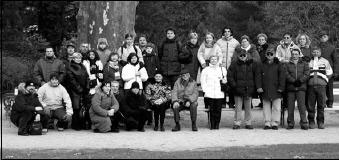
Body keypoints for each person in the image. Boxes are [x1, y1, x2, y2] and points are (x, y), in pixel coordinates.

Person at [227, 50, 262, 130]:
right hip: (237, 89)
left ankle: (248, 123)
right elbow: (229, 75)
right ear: (238, 56)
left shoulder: (252, 63)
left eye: (244, 55)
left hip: (248, 89)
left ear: (247, 55)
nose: (242, 57)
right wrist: (234, 85)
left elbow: (256, 75)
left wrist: (254, 86)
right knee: (238, 108)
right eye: (241, 55)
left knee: (248, 108)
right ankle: (237, 123)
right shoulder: (234, 64)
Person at [307, 46, 333, 129]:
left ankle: (320, 122)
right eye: (314, 52)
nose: (315, 53)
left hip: (321, 86)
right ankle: (311, 122)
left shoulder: (325, 61)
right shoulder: (308, 61)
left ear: (320, 53)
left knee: (321, 105)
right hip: (311, 86)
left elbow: (329, 72)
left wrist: (324, 80)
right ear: (312, 53)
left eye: (317, 52)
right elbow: (305, 72)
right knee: (311, 105)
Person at [261, 49, 286, 130]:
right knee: (266, 107)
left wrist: (281, 87)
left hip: (276, 88)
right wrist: (259, 87)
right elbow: (258, 76)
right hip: (265, 88)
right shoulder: (262, 64)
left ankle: (275, 123)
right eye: (268, 54)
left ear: (274, 54)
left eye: (271, 54)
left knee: (277, 107)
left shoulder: (279, 64)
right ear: (265, 54)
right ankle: (267, 123)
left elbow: (282, 77)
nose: (269, 55)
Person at [285, 49, 309, 130]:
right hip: (291, 88)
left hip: (301, 88)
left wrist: (300, 81)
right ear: (291, 55)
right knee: (290, 107)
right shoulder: (287, 64)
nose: (295, 56)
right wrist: (293, 81)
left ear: (299, 55)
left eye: (296, 54)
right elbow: (286, 74)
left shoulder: (304, 63)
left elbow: (307, 73)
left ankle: (304, 122)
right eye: (293, 54)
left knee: (302, 106)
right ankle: (290, 123)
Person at [200, 55, 227, 129]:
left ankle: (217, 124)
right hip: (210, 93)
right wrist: (205, 90)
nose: (214, 60)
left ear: (217, 60)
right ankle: (212, 124)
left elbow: (225, 79)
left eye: (215, 59)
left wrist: (224, 81)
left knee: (218, 109)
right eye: (212, 59)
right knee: (211, 109)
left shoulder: (222, 69)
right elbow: (203, 81)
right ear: (210, 60)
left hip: (219, 93)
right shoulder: (206, 70)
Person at [65, 52, 90, 130]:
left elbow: (87, 77)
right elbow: (71, 80)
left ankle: (83, 123)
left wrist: (87, 87)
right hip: (74, 90)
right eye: (77, 58)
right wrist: (79, 89)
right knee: (76, 107)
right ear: (73, 58)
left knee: (83, 107)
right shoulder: (70, 67)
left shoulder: (83, 66)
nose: (78, 59)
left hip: (84, 90)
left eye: (80, 58)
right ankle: (75, 124)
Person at [216, 27, 240, 109]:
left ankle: (231, 102)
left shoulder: (236, 42)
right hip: (221, 67)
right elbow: (216, 53)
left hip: (232, 67)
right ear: (223, 33)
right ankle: (222, 103)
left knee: (232, 84)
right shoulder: (219, 42)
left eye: (228, 31)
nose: (227, 33)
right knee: (222, 85)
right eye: (225, 31)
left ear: (231, 33)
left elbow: (238, 54)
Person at [171, 67, 199, 132]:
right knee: (175, 107)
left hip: (190, 101)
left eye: (187, 74)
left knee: (194, 104)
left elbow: (195, 93)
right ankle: (177, 124)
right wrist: (175, 101)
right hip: (180, 101)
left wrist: (189, 100)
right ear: (181, 76)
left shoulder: (193, 82)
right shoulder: (177, 82)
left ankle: (193, 124)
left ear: (189, 75)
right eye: (183, 75)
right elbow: (174, 92)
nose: (185, 76)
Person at [318, 30, 338, 108]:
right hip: (319, 70)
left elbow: (335, 60)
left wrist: (336, 72)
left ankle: (330, 102)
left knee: (329, 88)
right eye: (321, 37)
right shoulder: (317, 47)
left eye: (324, 36)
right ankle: (322, 102)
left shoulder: (332, 47)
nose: (323, 38)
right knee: (321, 88)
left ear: (327, 37)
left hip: (329, 70)